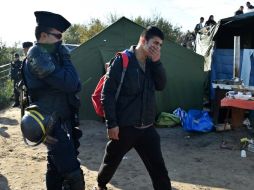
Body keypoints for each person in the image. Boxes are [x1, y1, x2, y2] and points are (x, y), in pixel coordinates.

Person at [94, 26, 171, 190]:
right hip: (125, 127)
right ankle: (101, 184)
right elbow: (107, 94)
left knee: (159, 169)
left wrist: (157, 62)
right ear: (143, 40)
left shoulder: (152, 64)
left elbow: (161, 85)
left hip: (147, 127)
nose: (157, 47)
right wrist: (111, 124)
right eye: (155, 43)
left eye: (160, 45)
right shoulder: (122, 60)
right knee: (112, 160)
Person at [22, 11, 85, 190]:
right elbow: (72, 83)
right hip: (50, 124)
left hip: (61, 121)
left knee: (55, 169)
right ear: (43, 35)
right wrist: (65, 56)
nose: (60, 41)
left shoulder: (49, 55)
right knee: (73, 175)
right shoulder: (37, 55)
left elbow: (75, 84)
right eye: (58, 36)